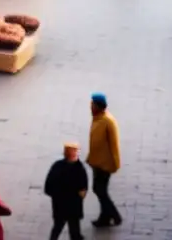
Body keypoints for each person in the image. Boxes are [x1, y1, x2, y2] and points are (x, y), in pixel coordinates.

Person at [87, 94, 122, 229]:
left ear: (98, 106)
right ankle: (105, 217)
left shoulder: (107, 121)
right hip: (98, 161)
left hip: (105, 163)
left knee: (99, 189)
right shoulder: (98, 118)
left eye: (92, 105)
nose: (90, 107)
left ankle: (114, 215)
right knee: (100, 189)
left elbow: (113, 145)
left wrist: (113, 163)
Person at [45, 142, 89, 240]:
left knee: (58, 228)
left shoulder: (57, 166)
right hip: (72, 206)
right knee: (73, 230)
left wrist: (56, 196)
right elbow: (83, 188)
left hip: (60, 205)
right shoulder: (79, 168)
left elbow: (48, 187)